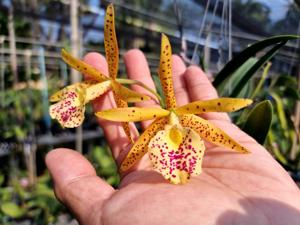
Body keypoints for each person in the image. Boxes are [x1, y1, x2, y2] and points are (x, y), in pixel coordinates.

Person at [46, 49, 300, 225]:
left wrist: (233, 146)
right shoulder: (143, 111)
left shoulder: (179, 120)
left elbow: (216, 134)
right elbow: (138, 144)